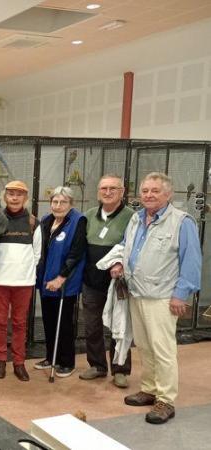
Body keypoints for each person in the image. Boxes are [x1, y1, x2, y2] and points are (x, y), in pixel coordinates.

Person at [107, 172, 201, 425]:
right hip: (136, 293)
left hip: (163, 297)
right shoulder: (136, 219)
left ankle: (166, 400)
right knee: (145, 346)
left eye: (155, 191)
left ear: (168, 194)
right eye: (145, 190)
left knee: (163, 349)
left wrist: (181, 295)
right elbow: (125, 246)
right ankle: (149, 388)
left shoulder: (182, 222)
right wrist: (118, 263)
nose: (148, 195)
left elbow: (191, 261)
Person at [79, 175, 134, 388]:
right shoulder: (89, 215)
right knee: (92, 326)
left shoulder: (132, 217)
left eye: (113, 188)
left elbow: (132, 245)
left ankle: (120, 369)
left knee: (119, 325)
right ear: (98, 192)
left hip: (118, 282)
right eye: (104, 188)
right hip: (91, 282)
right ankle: (97, 366)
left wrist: (119, 264)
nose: (108, 192)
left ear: (122, 192)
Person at [0, 180, 41, 382]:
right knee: (0, 322)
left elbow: (37, 253)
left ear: (26, 198)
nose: (15, 198)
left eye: (19, 194)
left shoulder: (33, 222)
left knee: (20, 323)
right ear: (5, 197)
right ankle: (0, 360)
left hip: (24, 282)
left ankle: (19, 362)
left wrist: (24, 270)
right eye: (11, 194)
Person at [35, 186, 87, 378]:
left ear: (70, 204)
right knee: (49, 320)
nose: (58, 205)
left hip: (65, 281)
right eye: (55, 202)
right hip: (47, 279)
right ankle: (51, 357)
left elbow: (76, 252)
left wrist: (61, 277)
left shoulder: (77, 221)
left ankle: (67, 362)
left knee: (63, 322)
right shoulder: (46, 221)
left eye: (63, 202)